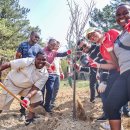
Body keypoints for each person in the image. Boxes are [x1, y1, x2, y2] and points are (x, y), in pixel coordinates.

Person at [85, 26, 130, 121]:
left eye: (93, 34)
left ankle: (124, 111)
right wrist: (98, 65)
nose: (92, 37)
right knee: (107, 95)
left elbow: (126, 39)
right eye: (90, 38)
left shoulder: (112, 33)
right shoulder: (101, 49)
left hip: (127, 66)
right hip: (120, 71)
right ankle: (113, 119)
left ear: (99, 31)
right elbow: (113, 65)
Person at [0, 52, 48, 125]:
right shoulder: (26, 61)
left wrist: (27, 98)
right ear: (35, 58)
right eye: (39, 59)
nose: (41, 61)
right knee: (2, 104)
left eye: (43, 59)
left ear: (46, 60)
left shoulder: (45, 74)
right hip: (12, 83)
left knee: (38, 96)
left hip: (27, 87)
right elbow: (8, 64)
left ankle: (29, 118)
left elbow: (35, 88)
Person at [103, 3, 130, 130]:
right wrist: (109, 49)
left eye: (125, 12)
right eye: (118, 14)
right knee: (110, 105)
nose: (121, 16)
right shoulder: (120, 36)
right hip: (123, 73)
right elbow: (116, 64)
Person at [16, 31, 43, 120]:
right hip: (24, 71)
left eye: (38, 38)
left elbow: (42, 58)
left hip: (34, 72)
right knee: (24, 91)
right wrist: (18, 67)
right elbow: (18, 56)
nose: (37, 39)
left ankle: (32, 112)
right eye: (36, 37)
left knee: (34, 91)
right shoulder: (22, 45)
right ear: (31, 36)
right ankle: (22, 113)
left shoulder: (39, 47)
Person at [42, 38, 71, 112]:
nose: (52, 46)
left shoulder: (54, 52)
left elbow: (62, 54)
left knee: (50, 90)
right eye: (51, 44)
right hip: (41, 73)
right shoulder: (42, 50)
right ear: (48, 43)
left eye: (54, 45)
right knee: (41, 91)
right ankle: (40, 106)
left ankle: (47, 106)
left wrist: (68, 52)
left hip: (50, 73)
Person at [51, 41, 64, 108]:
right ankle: (48, 102)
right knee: (50, 88)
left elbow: (59, 64)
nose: (58, 47)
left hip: (57, 73)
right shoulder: (50, 52)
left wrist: (61, 72)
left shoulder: (58, 55)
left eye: (59, 46)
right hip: (51, 73)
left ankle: (53, 102)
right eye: (57, 46)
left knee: (56, 88)